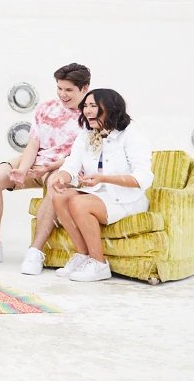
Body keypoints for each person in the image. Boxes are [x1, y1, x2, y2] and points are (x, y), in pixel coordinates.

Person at [0, 63, 92, 273]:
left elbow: (82, 156)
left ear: (85, 88)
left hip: (62, 166)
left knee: (57, 184)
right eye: (59, 88)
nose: (62, 95)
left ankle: (35, 252)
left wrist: (50, 168)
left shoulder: (90, 114)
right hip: (37, 159)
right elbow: (33, 144)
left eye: (69, 90)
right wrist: (23, 170)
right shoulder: (46, 108)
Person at [50, 89, 153, 282]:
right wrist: (62, 177)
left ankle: (99, 264)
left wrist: (103, 179)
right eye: (86, 106)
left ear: (110, 109)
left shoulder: (132, 135)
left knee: (80, 204)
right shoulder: (87, 133)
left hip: (127, 198)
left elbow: (143, 178)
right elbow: (72, 163)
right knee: (59, 196)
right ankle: (83, 255)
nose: (87, 111)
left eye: (93, 106)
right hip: (98, 193)